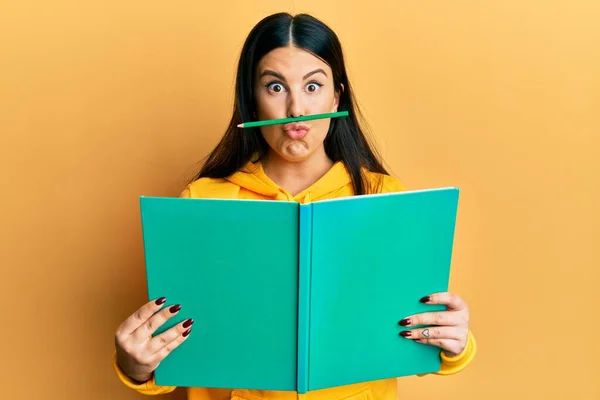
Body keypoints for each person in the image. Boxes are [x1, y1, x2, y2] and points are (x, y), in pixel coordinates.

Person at [113, 12, 476, 400]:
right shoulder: (202, 201)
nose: (297, 109)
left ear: (336, 97)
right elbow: (178, 352)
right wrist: (136, 364)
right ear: (251, 101)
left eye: (313, 86)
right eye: (274, 87)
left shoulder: (384, 197)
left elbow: (406, 334)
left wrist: (455, 341)